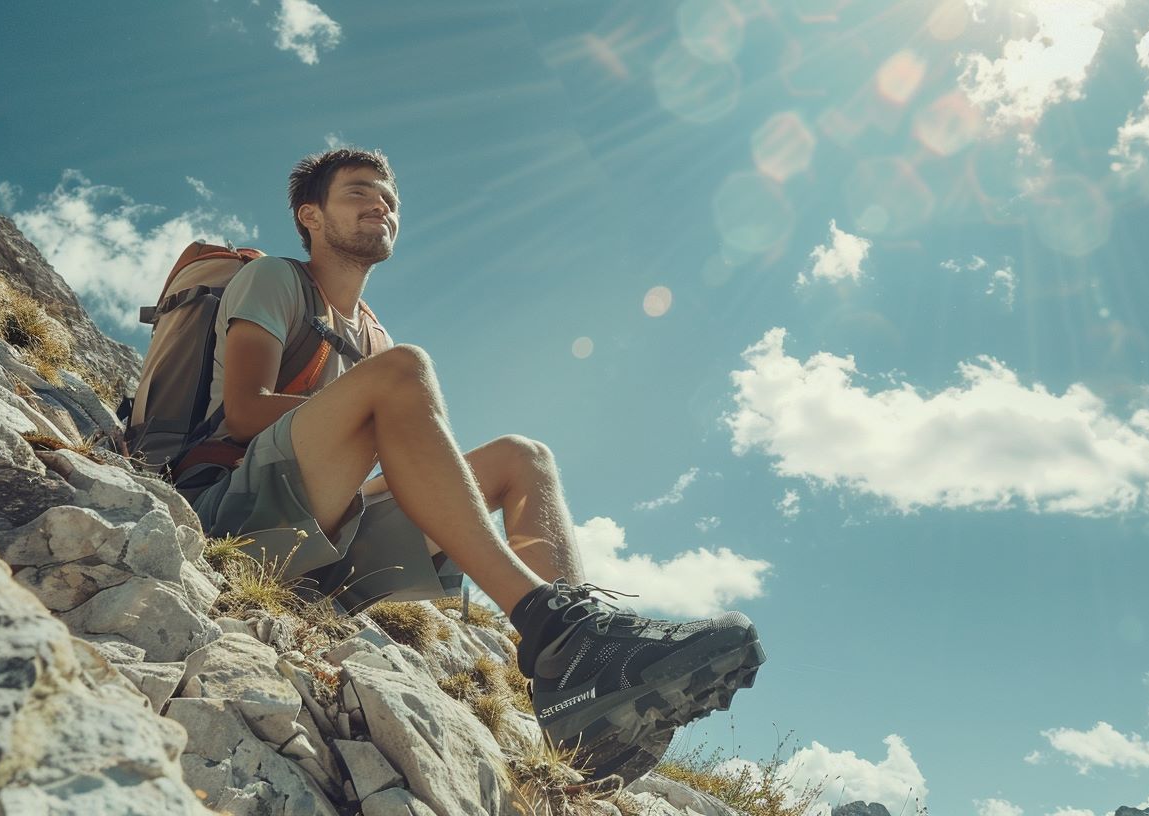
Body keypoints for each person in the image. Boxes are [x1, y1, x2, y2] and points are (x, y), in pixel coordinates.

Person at [189, 147, 765, 782]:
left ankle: (575, 692)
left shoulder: (371, 335)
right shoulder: (277, 279)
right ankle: (560, 630)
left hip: (318, 538)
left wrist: (410, 472)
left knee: (524, 458)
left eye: (389, 198)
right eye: (358, 192)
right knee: (405, 372)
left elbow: (357, 458)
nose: (381, 204)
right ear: (312, 215)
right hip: (230, 512)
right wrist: (376, 419)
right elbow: (244, 413)